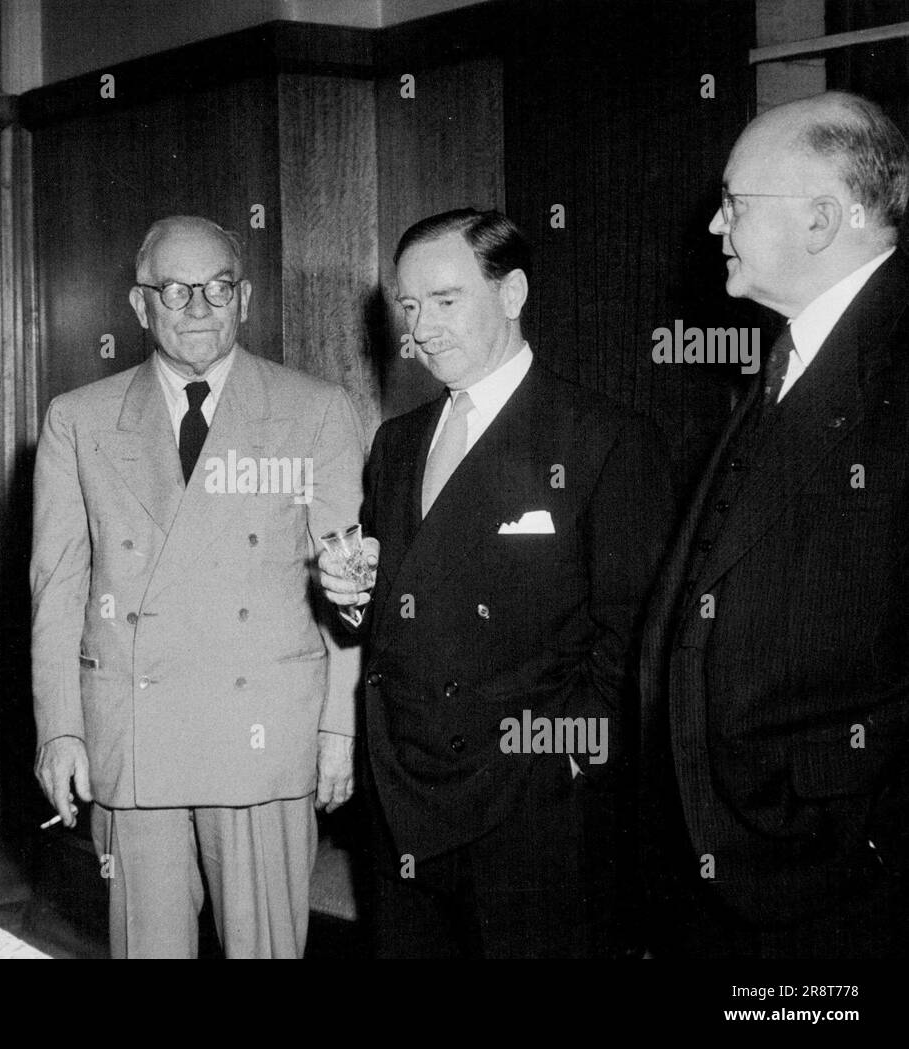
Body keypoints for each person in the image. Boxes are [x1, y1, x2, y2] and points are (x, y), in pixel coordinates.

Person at [320, 208, 673, 958]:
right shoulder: (398, 441)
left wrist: (564, 760)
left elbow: (637, 636)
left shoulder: (604, 437)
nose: (420, 329)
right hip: (405, 793)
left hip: (534, 811)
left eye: (445, 301)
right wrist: (351, 594)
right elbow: (397, 608)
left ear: (512, 293)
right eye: (409, 307)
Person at [30, 215, 364, 958]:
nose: (200, 308)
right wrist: (61, 729)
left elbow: (348, 591)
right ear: (139, 304)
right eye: (176, 291)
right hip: (134, 732)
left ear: (244, 297)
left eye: (218, 288)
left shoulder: (316, 410)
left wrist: (339, 729)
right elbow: (57, 590)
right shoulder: (78, 420)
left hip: (264, 733)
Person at [641, 91, 909, 958]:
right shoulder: (793, 352)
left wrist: (868, 834)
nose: (717, 227)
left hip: (841, 872)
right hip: (738, 854)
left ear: (824, 218)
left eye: (735, 203)